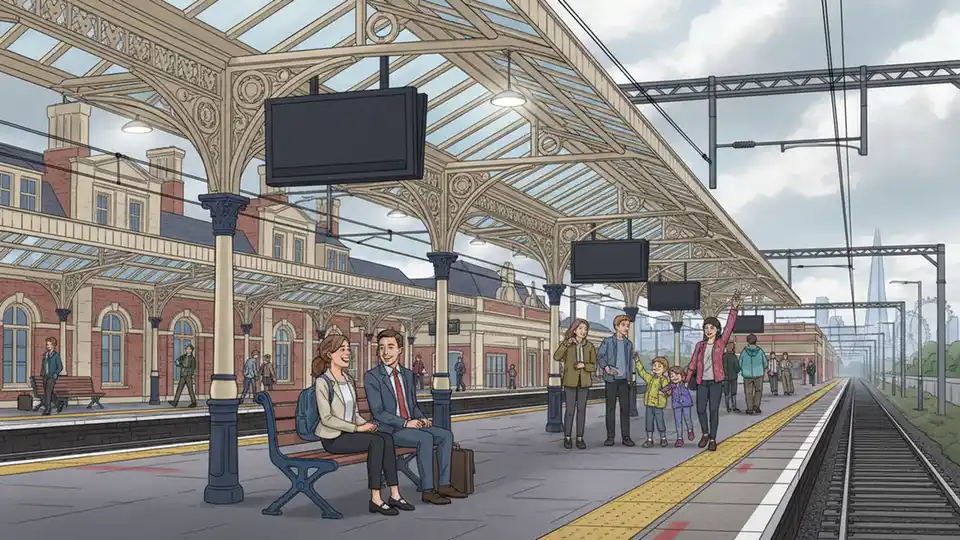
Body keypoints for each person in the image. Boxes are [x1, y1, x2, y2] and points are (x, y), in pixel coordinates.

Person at [312, 334, 414, 516]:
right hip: (333, 438)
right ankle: (375, 499)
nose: (347, 353)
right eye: (342, 349)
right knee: (377, 442)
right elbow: (326, 418)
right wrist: (357, 428)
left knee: (386, 438)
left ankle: (395, 494)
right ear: (329, 354)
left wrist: (367, 424)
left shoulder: (348, 379)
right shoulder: (323, 382)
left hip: (350, 434)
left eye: (347, 349)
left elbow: (355, 414)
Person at [364, 329, 466, 505]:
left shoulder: (408, 375)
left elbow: (412, 406)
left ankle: (444, 484)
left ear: (400, 350)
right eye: (381, 348)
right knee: (425, 439)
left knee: (446, 435)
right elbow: (379, 413)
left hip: (409, 426)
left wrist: (422, 418)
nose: (385, 352)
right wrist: (405, 423)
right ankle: (428, 490)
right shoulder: (372, 377)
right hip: (389, 430)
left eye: (390, 347)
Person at [685, 293, 740, 451]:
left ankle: (713, 439)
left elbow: (729, 327)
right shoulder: (699, 345)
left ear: (717, 330)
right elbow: (693, 363)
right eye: (706, 328)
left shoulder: (721, 343)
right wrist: (686, 379)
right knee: (700, 409)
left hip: (716, 382)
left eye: (712, 328)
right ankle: (705, 433)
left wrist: (733, 309)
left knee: (713, 410)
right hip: (702, 382)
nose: (708, 330)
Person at [555, 319, 596, 450]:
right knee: (570, 411)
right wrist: (567, 343)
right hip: (570, 382)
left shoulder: (589, 346)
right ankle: (567, 437)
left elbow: (594, 366)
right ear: (574, 330)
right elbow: (557, 356)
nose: (583, 331)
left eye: (585, 329)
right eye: (580, 328)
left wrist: (584, 365)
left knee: (581, 411)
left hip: (584, 383)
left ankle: (579, 437)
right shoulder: (567, 345)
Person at [596, 315, 636, 447]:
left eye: (628, 326)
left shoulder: (628, 344)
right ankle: (610, 437)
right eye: (623, 325)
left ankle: (626, 437)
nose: (626, 328)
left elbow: (629, 363)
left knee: (625, 409)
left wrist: (630, 378)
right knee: (610, 409)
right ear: (616, 326)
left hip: (624, 380)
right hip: (611, 380)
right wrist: (607, 369)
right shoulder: (607, 341)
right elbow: (600, 356)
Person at [636, 356, 670, 448]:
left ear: (664, 369)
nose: (656, 368)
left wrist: (664, 392)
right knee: (649, 422)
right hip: (649, 404)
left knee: (660, 421)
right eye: (654, 365)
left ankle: (663, 438)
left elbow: (668, 390)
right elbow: (642, 372)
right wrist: (637, 361)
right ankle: (649, 439)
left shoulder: (664, 380)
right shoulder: (650, 378)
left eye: (659, 366)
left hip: (658, 405)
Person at [661, 366, 694, 447]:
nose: (674, 377)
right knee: (678, 422)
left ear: (682, 375)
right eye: (672, 376)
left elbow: (689, 375)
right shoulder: (672, 385)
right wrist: (660, 390)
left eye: (677, 375)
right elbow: (665, 388)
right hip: (677, 405)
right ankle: (679, 438)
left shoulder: (685, 384)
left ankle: (690, 430)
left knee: (687, 419)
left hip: (686, 404)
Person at [739, 334, 768, 415]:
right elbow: (765, 363)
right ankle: (756, 406)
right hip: (758, 374)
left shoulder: (744, 351)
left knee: (748, 392)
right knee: (758, 390)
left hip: (747, 375)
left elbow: (740, 362)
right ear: (756, 341)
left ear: (747, 342)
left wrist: (744, 369)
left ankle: (750, 408)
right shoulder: (760, 351)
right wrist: (762, 368)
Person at [39, 337, 63, 416]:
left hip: (52, 377)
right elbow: (43, 365)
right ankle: (58, 403)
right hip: (45, 376)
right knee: (49, 392)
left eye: (49, 345)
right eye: (47, 345)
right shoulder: (45, 355)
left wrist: (56, 374)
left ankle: (48, 409)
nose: (47, 346)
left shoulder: (56, 355)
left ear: (53, 345)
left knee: (48, 393)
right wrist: (42, 373)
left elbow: (60, 367)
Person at [722, 342, 741, 413]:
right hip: (733, 377)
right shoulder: (734, 357)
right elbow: (737, 368)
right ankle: (734, 407)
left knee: (726, 393)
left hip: (725, 378)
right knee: (733, 392)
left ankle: (728, 408)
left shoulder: (722, 357)